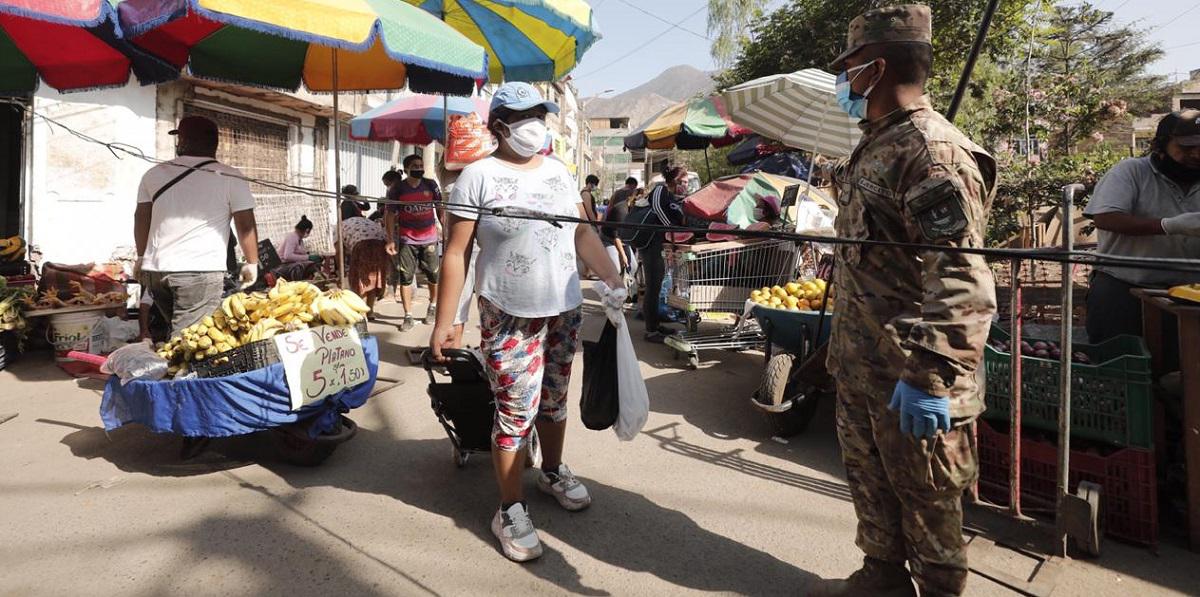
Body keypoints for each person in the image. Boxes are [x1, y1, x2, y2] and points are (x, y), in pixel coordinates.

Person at [815, 6, 997, 596]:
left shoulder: (931, 151)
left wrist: (931, 376)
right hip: (867, 366)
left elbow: (963, 280)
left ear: (876, 67)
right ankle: (882, 577)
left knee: (928, 504)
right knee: (872, 486)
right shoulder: (877, 144)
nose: (843, 79)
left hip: (913, 374)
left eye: (848, 68)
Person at [429, 82, 622, 563]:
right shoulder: (476, 176)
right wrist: (447, 320)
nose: (537, 122)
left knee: (554, 400)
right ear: (499, 126)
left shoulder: (560, 172)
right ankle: (509, 508)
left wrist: (613, 277)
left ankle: (551, 470)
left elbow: (582, 233)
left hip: (564, 306)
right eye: (526, 114)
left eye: (542, 112)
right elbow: (456, 253)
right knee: (517, 408)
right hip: (507, 311)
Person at [1083, 110, 1200, 348]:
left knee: (1185, 370)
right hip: (1126, 285)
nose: (1196, 154)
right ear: (1160, 146)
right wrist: (1168, 226)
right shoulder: (1132, 172)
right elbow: (1106, 218)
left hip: (1191, 291)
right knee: (1121, 360)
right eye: (1186, 147)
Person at [134, 115, 259, 336]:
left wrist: (141, 257)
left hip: (156, 271)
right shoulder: (231, 176)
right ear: (215, 144)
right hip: (199, 270)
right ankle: (182, 371)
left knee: (177, 335)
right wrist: (252, 262)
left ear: (182, 141)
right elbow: (245, 223)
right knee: (188, 340)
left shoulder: (153, 174)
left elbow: (142, 218)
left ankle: (170, 367)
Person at [386, 154, 442, 330]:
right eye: (415, 166)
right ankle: (408, 316)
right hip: (407, 240)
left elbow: (440, 208)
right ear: (407, 169)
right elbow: (389, 215)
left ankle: (432, 307)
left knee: (433, 275)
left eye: (421, 165)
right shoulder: (397, 189)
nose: (419, 168)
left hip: (430, 238)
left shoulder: (431, 185)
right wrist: (390, 239)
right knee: (406, 278)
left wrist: (445, 229)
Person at [638, 166, 687, 344]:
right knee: (652, 287)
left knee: (657, 286)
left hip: (659, 244)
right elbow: (658, 208)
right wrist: (670, 230)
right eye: (685, 181)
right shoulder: (660, 189)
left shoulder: (673, 196)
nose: (686, 185)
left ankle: (655, 325)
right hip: (651, 243)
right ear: (675, 180)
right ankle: (651, 331)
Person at [340, 200, 390, 318]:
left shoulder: (341, 225)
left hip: (363, 246)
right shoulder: (365, 220)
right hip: (381, 244)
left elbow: (339, 251)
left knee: (359, 280)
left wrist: (339, 270)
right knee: (372, 279)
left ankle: (360, 313)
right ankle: (370, 311)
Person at [602, 177, 639, 278]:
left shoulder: (617, 194)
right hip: (609, 238)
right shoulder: (621, 211)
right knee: (617, 268)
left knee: (632, 267)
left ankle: (625, 288)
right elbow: (616, 237)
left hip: (623, 238)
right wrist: (623, 256)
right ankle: (612, 288)